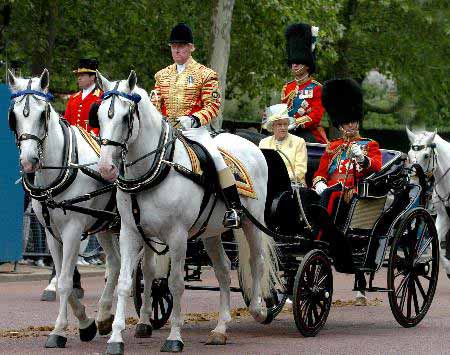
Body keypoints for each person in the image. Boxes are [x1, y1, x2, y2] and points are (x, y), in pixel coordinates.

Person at [150, 23, 243, 228]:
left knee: (217, 160)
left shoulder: (205, 74)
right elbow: (155, 103)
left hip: (194, 131)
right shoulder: (161, 75)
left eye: (181, 46)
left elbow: (213, 105)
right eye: (173, 46)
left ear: (191, 47)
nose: (176, 50)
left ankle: (234, 207)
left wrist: (194, 119)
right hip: (167, 131)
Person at [312, 78, 382, 306]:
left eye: (354, 122)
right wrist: (319, 183)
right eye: (347, 123)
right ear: (340, 125)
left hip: (354, 194)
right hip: (331, 191)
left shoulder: (369, 144)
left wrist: (363, 159)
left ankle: (320, 235)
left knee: (333, 194)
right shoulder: (332, 147)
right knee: (307, 195)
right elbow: (320, 172)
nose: (351, 126)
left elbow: (376, 167)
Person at [281, 23, 327, 144]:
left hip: (308, 133)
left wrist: (296, 123)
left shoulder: (316, 88)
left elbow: (316, 116)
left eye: (299, 62)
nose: (294, 65)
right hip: (287, 130)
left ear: (307, 65)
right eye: (293, 62)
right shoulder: (287, 87)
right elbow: (283, 111)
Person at [259, 104, 307, 185]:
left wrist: (279, 178)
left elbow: (300, 171)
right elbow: (260, 166)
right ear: (272, 126)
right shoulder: (263, 143)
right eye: (279, 124)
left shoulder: (299, 142)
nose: (283, 127)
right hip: (268, 184)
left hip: (293, 185)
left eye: (285, 124)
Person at [64, 58, 102, 135]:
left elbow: (104, 123)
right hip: (73, 142)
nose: (79, 78)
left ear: (92, 77)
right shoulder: (73, 98)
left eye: (82, 75)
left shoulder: (101, 97)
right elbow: (66, 122)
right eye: (78, 75)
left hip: (93, 142)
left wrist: (92, 135)